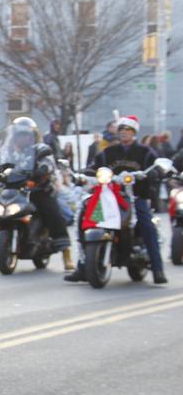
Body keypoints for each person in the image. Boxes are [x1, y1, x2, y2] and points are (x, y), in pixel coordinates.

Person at [67, 114, 167, 284]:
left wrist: (154, 172)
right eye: (121, 129)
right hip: (108, 196)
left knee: (146, 224)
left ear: (134, 131)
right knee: (86, 220)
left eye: (127, 130)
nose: (123, 133)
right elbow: (94, 166)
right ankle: (82, 267)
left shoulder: (144, 151)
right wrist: (82, 175)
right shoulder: (109, 152)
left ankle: (157, 269)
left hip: (135, 197)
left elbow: (155, 165)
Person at [0, 117, 73, 270]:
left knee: (52, 212)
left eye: (26, 135)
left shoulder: (41, 149)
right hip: (12, 189)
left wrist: (41, 171)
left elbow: (48, 163)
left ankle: (66, 253)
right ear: (14, 135)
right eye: (19, 134)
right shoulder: (6, 151)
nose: (23, 138)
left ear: (32, 135)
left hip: (37, 188)